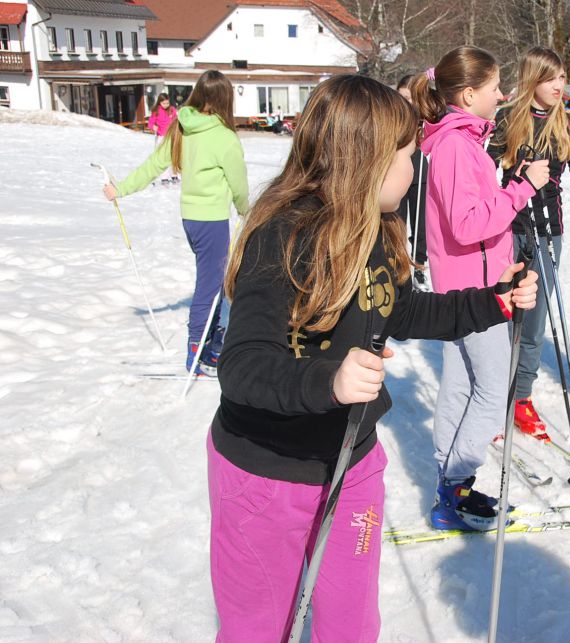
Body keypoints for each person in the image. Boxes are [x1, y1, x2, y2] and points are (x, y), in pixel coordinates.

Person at [208, 74, 537, 642]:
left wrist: (493, 302)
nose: (415, 172)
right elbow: (241, 367)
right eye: (408, 158)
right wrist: (327, 380)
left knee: (350, 624)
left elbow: (400, 312)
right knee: (259, 628)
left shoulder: (377, 231)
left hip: (351, 461)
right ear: (365, 160)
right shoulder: (283, 236)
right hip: (267, 473)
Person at [410, 46, 550, 530]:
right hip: (473, 294)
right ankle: (455, 484)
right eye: (495, 88)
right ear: (469, 95)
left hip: (476, 283)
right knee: (491, 392)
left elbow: (473, 215)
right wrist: (522, 188)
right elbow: (468, 226)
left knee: (462, 387)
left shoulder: (463, 142)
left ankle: (452, 489)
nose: (503, 95)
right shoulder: (453, 146)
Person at [487, 46, 570, 440]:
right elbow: (484, 175)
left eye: (562, 78)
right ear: (533, 79)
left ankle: (521, 396)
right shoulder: (506, 119)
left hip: (547, 232)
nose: (559, 85)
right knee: (505, 316)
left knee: (536, 320)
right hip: (509, 228)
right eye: (551, 78)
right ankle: (494, 396)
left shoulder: (568, 121)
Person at [104, 70, 249, 375]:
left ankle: (210, 347)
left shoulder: (183, 127)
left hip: (192, 220)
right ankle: (196, 351)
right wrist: (245, 208)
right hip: (211, 221)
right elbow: (238, 182)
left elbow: (152, 165)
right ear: (225, 100)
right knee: (210, 287)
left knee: (219, 282)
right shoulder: (223, 137)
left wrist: (121, 188)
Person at [396, 74, 429, 289]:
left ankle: (419, 267)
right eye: (401, 97)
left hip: (419, 172)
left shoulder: (423, 120)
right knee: (397, 222)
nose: (405, 102)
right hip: (397, 174)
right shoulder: (392, 117)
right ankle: (396, 266)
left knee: (420, 226)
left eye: (409, 98)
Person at [147, 93, 178, 184]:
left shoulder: (172, 110)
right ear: (159, 103)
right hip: (161, 137)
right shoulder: (156, 111)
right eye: (164, 103)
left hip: (171, 136)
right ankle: (164, 177)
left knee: (173, 155)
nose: (166, 105)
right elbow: (150, 123)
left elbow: (176, 120)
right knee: (163, 157)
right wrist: (154, 127)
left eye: (167, 103)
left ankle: (174, 175)